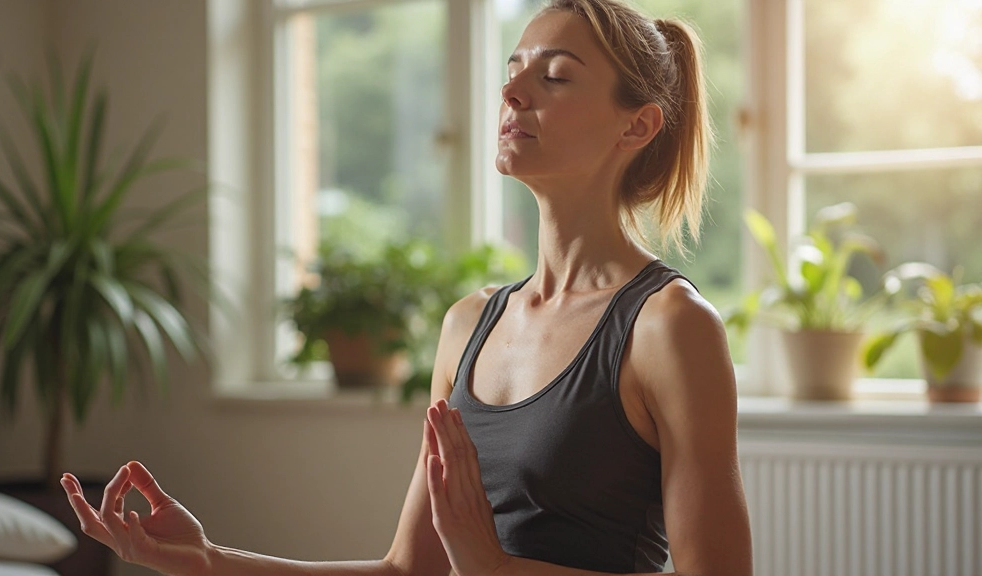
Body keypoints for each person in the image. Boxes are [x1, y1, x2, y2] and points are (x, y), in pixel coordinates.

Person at [61, 0, 753, 573]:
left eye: (556, 76)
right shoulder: (469, 324)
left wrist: (494, 567)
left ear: (637, 124)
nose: (512, 92)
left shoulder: (670, 327)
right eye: (513, 70)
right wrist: (210, 560)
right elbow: (404, 570)